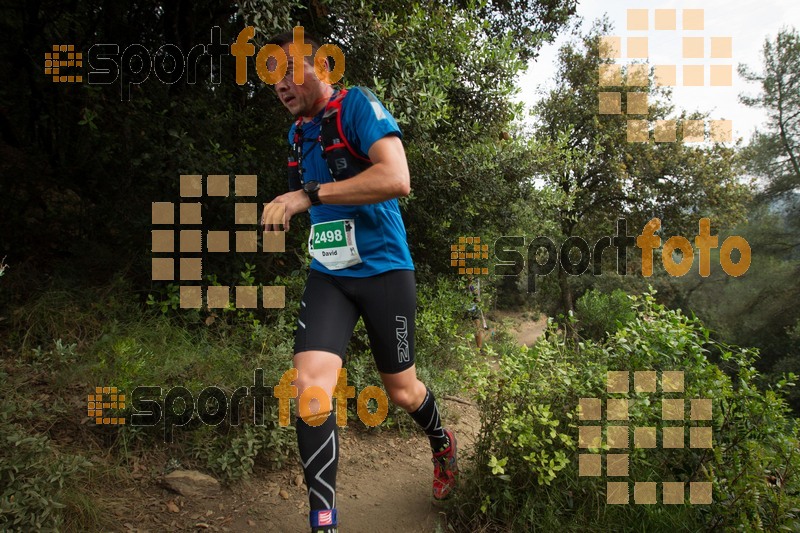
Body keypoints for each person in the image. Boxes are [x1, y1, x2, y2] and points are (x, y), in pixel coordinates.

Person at [261, 30, 458, 533]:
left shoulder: (358, 107)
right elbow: (313, 201)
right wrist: (290, 210)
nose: (279, 84)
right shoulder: (298, 135)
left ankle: (442, 443)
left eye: (287, 70)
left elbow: (397, 178)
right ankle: (322, 521)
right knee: (310, 391)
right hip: (330, 275)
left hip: (385, 271)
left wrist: (307, 195)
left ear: (321, 69)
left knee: (403, 392)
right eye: (270, 76)